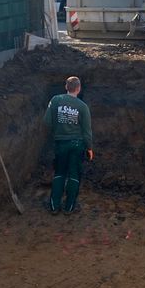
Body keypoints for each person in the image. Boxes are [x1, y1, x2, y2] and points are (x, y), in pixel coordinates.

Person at [44, 76, 93, 214]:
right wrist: (89, 147)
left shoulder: (55, 100)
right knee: (74, 175)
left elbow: (47, 121)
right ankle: (69, 208)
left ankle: (54, 207)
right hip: (77, 144)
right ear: (78, 89)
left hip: (61, 143)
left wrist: (58, 130)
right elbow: (87, 131)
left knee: (59, 173)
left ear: (66, 87)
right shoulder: (83, 107)